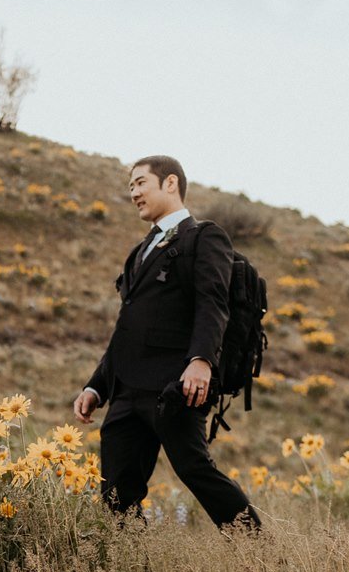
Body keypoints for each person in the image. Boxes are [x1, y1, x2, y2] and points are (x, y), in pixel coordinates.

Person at [74, 155, 260, 530]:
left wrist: (202, 361)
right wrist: (97, 385)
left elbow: (214, 303)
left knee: (195, 471)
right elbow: (127, 328)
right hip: (126, 390)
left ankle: (260, 555)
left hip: (175, 387)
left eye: (141, 183)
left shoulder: (204, 237)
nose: (134, 194)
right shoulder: (139, 251)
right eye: (131, 187)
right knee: (117, 493)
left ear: (170, 183)